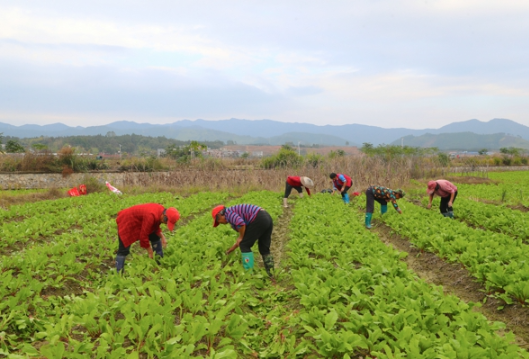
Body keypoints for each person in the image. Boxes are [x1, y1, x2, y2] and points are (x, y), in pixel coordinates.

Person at [212, 204, 274, 277]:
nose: (220, 223)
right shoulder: (233, 212)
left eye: (218, 221)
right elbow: (242, 237)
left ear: (219, 215)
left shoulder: (229, 214)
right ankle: (271, 273)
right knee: (264, 248)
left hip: (258, 218)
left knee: (245, 245)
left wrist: (240, 237)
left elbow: (241, 224)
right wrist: (231, 250)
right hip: (266, 217)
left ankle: (248, 274)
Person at [115, 204, 180, 273]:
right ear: (164, 216)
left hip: (139, 220)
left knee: (155, 236)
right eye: (165, 221)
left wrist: (162, 237)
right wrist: (150, 251)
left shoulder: (161, 211)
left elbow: (155, 226)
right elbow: (143, 236)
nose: (164, 223)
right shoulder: (151, 215)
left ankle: (159, 262)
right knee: (124, 249)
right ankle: (119, 273)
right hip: (127, 221)